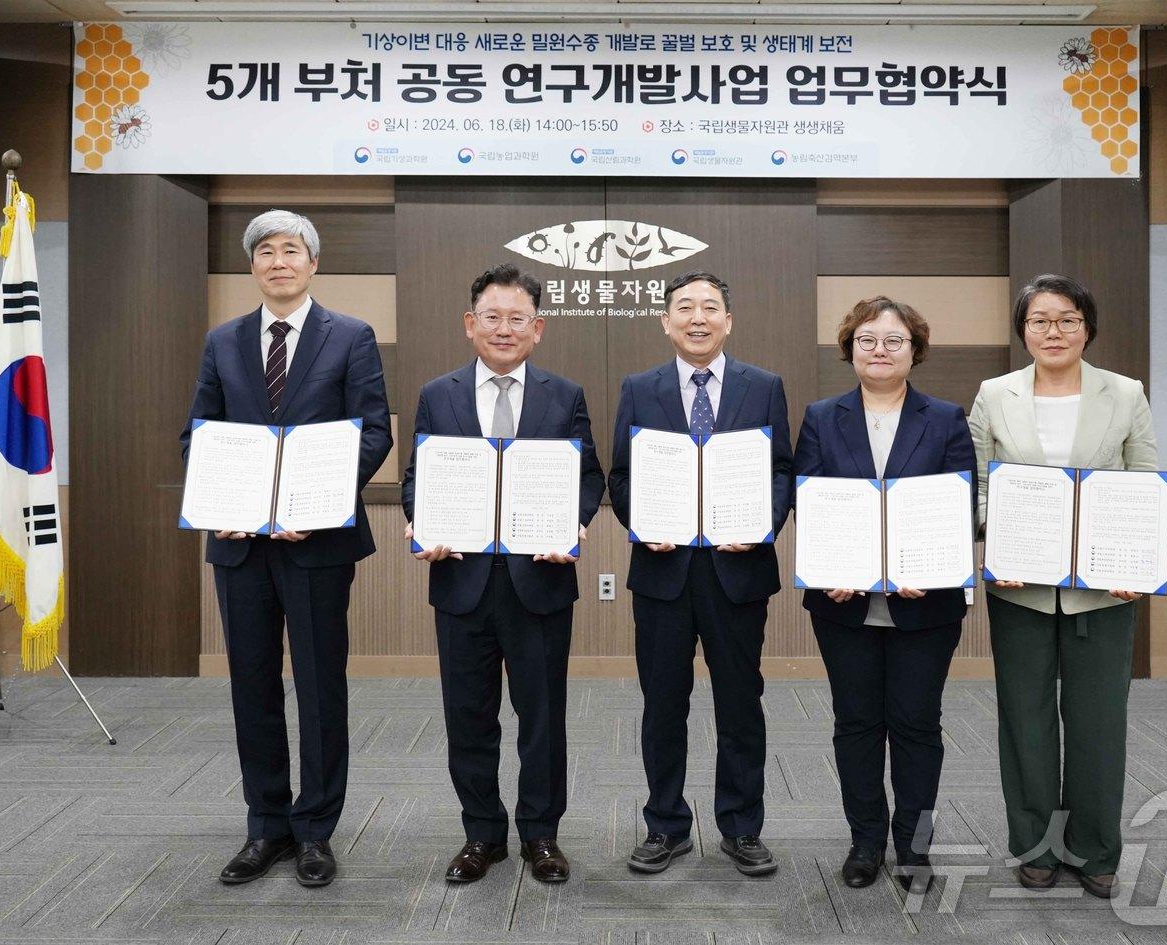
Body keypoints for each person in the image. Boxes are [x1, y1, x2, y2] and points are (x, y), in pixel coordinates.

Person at [180, 210, 393, 887]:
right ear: (253, 266)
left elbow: (372, 431)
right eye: (265, 251)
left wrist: (321, 503)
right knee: (251, 682)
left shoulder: (351, 336)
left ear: (312, 262)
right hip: (241, 544)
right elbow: (200, 435)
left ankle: (316, 828)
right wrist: (223, 502)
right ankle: (265, 824)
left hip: (316, 542)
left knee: (320, 683)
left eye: (291, 249)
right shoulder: (223, 340)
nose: (278, 260)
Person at [401, 263, 605, 885]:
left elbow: (588, 476)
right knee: (469, 714)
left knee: (542, 716)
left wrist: (573, 523)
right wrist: (419, 521)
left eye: (518, 319)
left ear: (537, 329)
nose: (504, 329)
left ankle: (541, 835)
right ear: (471, 324)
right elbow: (419, 477)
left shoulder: (563, 395)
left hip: (538, 582)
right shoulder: (438, 394)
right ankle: (481, 834)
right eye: (493, 317)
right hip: (461, 581)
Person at [970, 273, 1158, 899]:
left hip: (1103, 592)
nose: (1053, 331)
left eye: (1067, 319)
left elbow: (1144, 483)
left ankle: (1096, 848)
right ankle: (1036, 845)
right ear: (1023, 330)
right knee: (1024, 720)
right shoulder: (994, 394)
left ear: (1087, 326)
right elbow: (978, 488)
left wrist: (1136, 563)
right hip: (1020, 589)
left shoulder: (1125, 393)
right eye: (1039, 320)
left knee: (1099, 721)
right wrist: (997, 538)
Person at [608, 270, 792, 877]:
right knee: (663, 703)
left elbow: (781, 473)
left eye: (710, 307)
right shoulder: (640, 387)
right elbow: (621, 476)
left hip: (737, 571)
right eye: (684, 307)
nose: (697, 317)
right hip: (663, 572)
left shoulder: (764, 387)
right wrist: (644, 521)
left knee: (741, 702)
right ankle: (665, 825)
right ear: (665, 321)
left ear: (728, 320)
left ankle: (742, 827)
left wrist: (760, 523)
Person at [793, 297, 976, 893]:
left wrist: (936, 563)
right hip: (844, 602)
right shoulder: (822, 416)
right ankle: (866, 841)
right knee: (856, 722)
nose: (880, 350)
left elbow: (958, 505)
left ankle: (914, 847)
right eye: (867, 339)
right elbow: (809, 500)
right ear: (850, 348)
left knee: (918, 723)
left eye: (893, 340)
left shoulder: (946, 418)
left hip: (926, 603)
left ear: (914, 350)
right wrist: (829, 566)